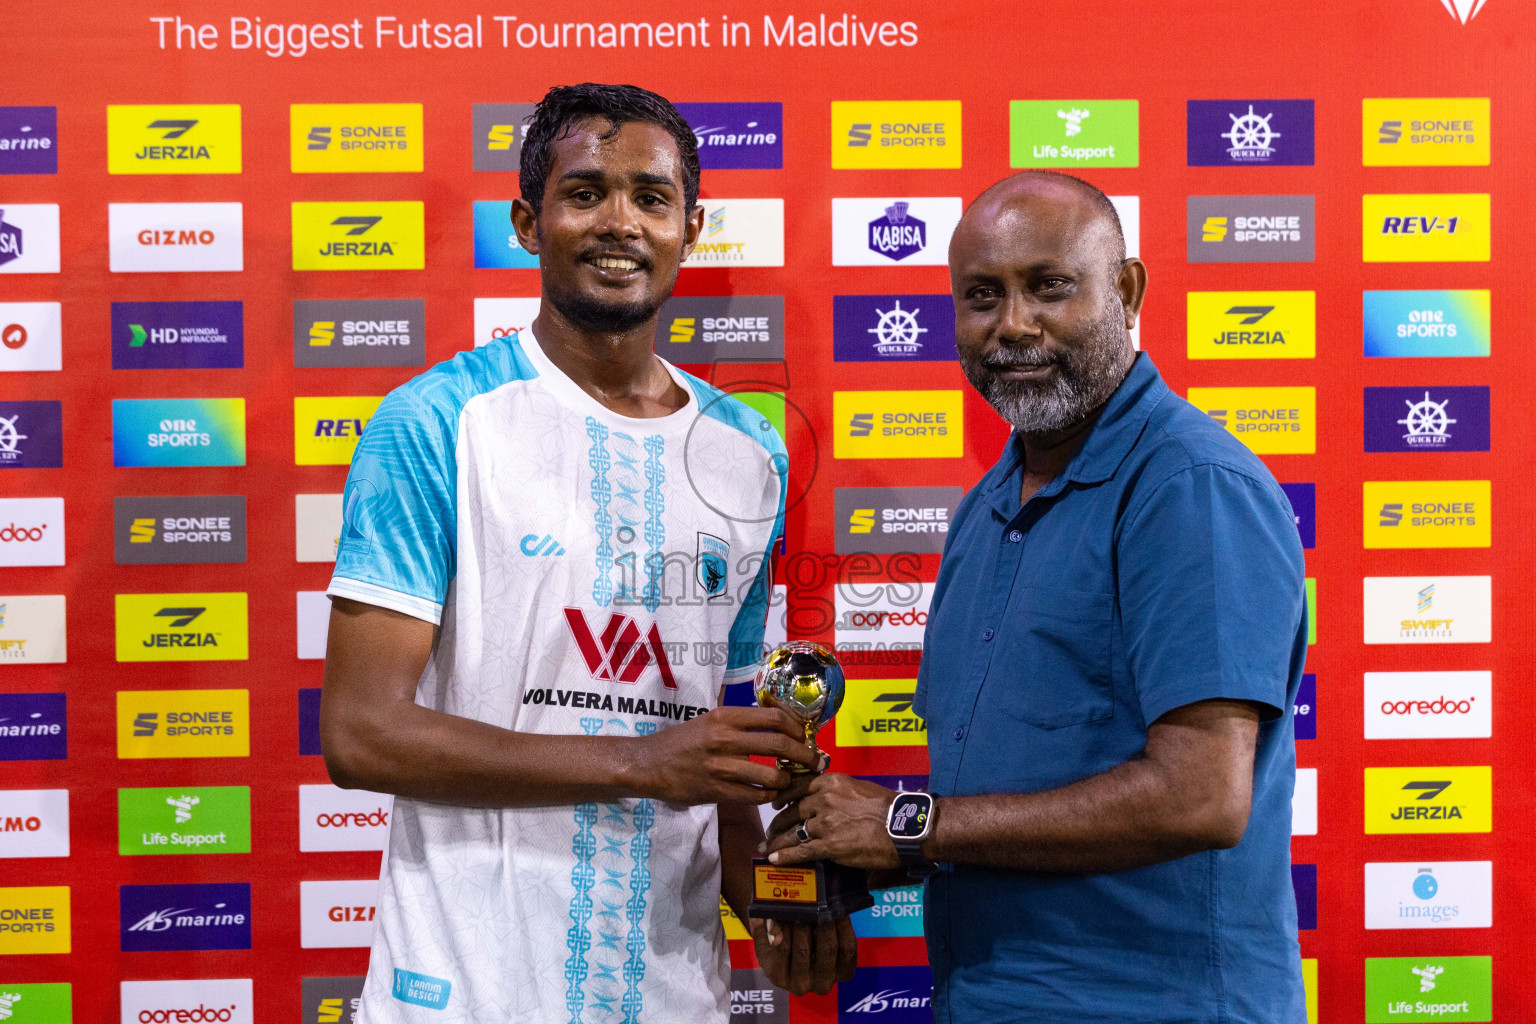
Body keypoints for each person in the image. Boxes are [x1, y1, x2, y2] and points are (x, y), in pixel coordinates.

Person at [320, 83, 853, 1023]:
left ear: (692, 228)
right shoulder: (437, 423)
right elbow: (362, 734)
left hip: (673, 992)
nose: (620, 223)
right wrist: (642, 763)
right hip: (461, 990)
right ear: (528, 223)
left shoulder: (747, 452)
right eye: (585, 193)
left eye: (651, 198)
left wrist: (770, 901)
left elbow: (719, 746)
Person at [764, 171, 1308, 1023]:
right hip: (990, 996)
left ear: (1125, 290)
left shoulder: (1189, 486)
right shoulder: (991, 506)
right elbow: (1009, 796)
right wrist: (842, 854)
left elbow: (1201, 796)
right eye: (982, 297)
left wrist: (908, 824)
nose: (1013, 326)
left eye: (1048, 286)